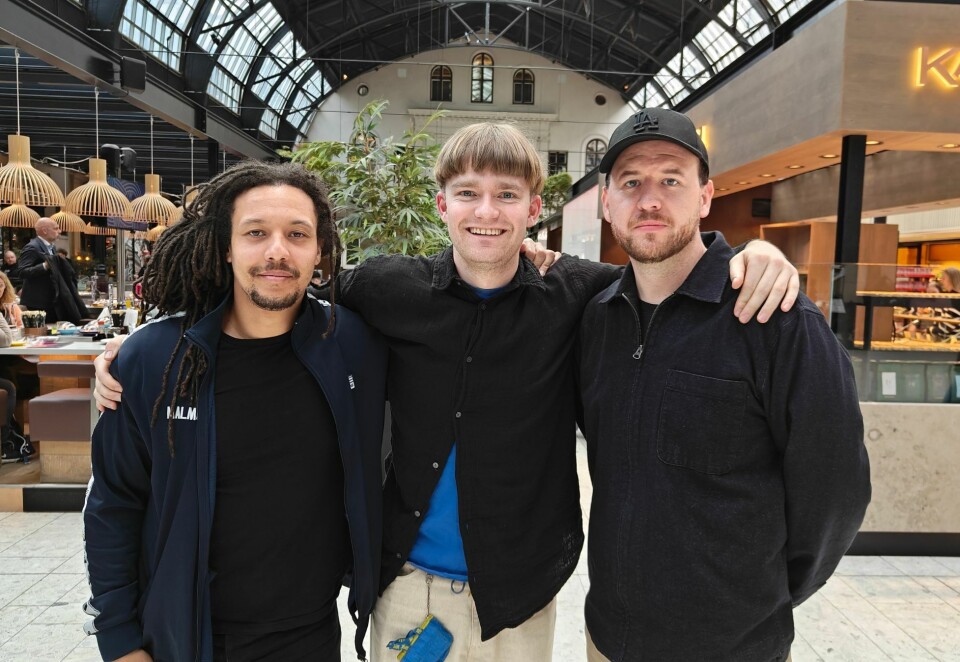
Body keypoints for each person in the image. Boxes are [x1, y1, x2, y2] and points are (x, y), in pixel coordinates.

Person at [95, 123, 800, 661]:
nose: (485, 212)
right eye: (467, 194)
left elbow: (665, 275)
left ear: (535, 207)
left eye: (506, 196)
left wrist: (748, 254)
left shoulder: (580, 293)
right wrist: (149, 341)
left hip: (520, 593)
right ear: (440, 203)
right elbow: (274, 292)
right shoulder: (383, 289)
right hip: (406, 588)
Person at [577, 108, 872, 662]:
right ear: (607, 201)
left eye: (671, 180)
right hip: (608, 639)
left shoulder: (774, 319)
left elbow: (834, 489)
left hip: (730, 646)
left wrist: (765, 595)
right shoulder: (597, 320)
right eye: (631, 182)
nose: (649, 200)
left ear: (706, 197)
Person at [82, 161, 388, 662]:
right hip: (185, 635)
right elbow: (114, 504)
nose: (277, 251)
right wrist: (119, 641)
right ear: (225, 247)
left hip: (309, 632)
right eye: (255, 233)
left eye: (297, 234)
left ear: (320, 251)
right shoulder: (154, 360)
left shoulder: (353, 343)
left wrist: (526, 257)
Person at [18, 217, 88, 324]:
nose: (59, 231)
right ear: (45, 230)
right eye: (56, 228)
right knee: (42, 332)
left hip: (51, 300)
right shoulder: (32, 247)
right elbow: (22, 272)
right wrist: (45, 266)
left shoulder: (52, 247)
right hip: (38, 301)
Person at [0, 274, 30, 464]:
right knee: (9, 386)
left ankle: (11, 437)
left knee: (14, 377)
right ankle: (5, 442)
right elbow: (6, 339)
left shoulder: (9, 306)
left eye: (1, 286)